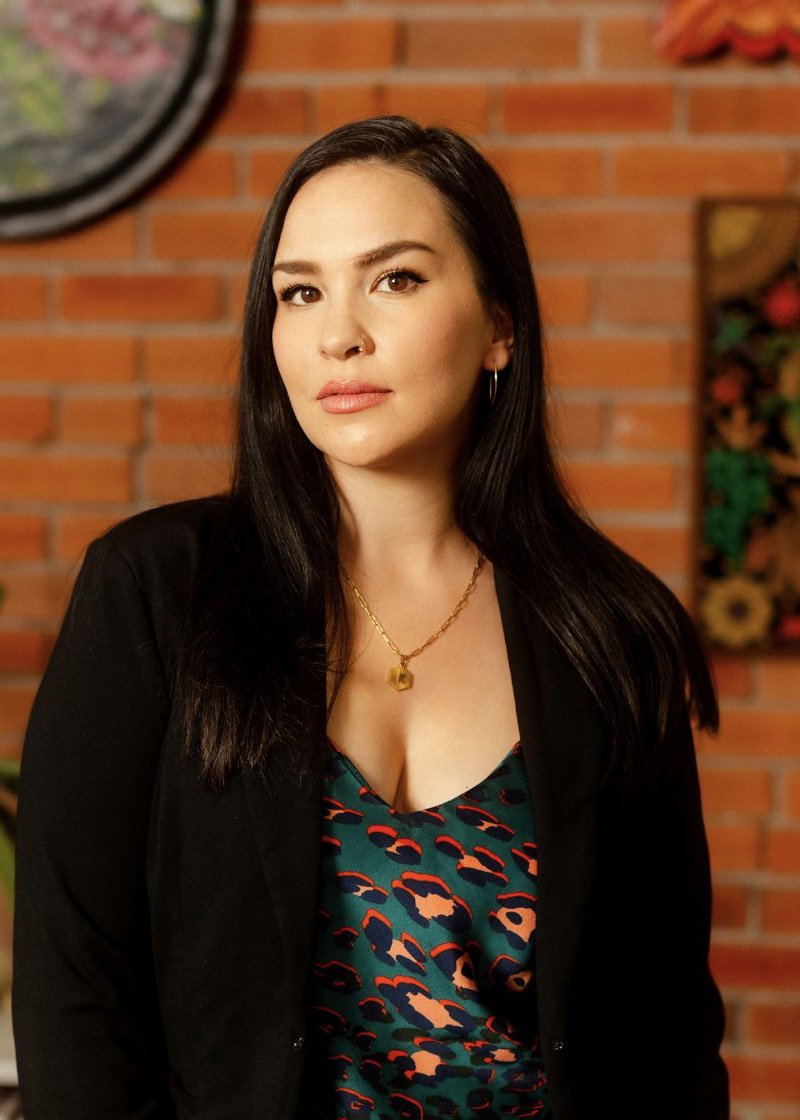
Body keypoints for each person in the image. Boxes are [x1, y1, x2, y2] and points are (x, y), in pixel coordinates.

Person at [12, 116, 729, 1120]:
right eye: (300, 292)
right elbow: (74, 989)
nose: (337, 334)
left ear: (499, 327)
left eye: (394, 279)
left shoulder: (612, 629)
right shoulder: (156, 589)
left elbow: (667, 1031)